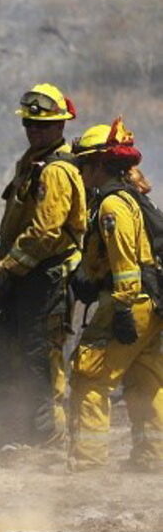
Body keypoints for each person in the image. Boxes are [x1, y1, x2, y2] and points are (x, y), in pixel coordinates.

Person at [0, 83, 87, 447]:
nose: (34, 131)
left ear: (60, 126)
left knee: (36, 354)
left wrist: (4, 269)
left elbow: (44, 234)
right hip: (23, 275)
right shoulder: (31, 164)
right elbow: (16, 226)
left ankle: (42, 436)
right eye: (29, 124)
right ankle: (12, 429)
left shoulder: (56, 171)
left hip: (45, 276)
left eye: (43, 125)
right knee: (6, 349)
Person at [67, 118, 162, 472]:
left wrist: (121, 308)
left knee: (90, 376)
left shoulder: (112, 207)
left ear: (99, 165)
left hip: (129, 302)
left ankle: (88, 463)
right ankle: (152, 458)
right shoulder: (131, 199)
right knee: (145, 379)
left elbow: (125, 263)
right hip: (150, 304)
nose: (80, 172)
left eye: (83, 165)